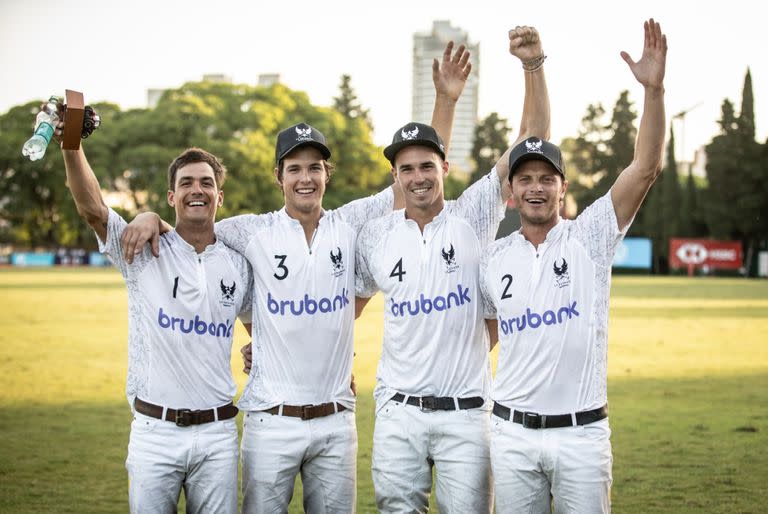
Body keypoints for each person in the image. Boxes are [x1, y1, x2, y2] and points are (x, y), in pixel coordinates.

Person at [121, 41, 473, 513]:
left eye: (314, 168)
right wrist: (150, 218)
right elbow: (195, 223)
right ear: (278, 176)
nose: (304, 178)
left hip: (335, 421)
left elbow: (416, 176)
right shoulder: (249, 231)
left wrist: (446, 101)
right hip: (269, 422)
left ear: (327, 174)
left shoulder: (350, 224)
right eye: (294, 169)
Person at [354, 26, 550, 513]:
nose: (418, 176)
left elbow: (533, 140)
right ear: (395, 177)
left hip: (466, 415)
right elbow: (343, 310)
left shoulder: (475, 214)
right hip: (397, 413)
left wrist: (532, 66)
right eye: (407, 169)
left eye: (427, 165)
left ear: (444, 166)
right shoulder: (376, 234)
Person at [479, 18, 667, 514]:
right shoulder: (492, 259)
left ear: (563, 188)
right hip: (512, 436)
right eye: (525, 180)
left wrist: (654, 91)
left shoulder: (590, 237)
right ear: (512, 193)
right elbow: (478, 335)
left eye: (547, 178)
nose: (536, 187)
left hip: (581, 437)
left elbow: (645, 166)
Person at [54, 131, 253, 513]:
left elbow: (255, 318)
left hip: (218, 434)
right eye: (187, 183)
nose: (198, 190)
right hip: (154, 432)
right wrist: (72, 144)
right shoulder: (141, 248)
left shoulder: (238, 262)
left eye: (207, 183)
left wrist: (255, 342)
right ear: (171, 197)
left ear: (219, 197)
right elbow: (94, 208)